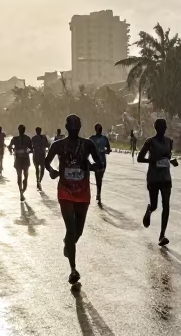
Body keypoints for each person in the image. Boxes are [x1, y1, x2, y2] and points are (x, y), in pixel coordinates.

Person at [45, 115, 101, 285]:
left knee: (78, 232)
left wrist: (88, 166)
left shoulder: (88, 144)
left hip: (83, 191)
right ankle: (73, 269)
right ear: (67, 127)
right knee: (70, 229)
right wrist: (52, 171)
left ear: (80, 127)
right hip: (65, 190)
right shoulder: (58, 145)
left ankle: (68, 244)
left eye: (76, 126)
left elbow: (99, 163)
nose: (74, 128)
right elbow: (46, 162)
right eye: (71, 125)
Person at [138, 118, 177, 245]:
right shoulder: (150, 142)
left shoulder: (169, 141)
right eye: (160, 127)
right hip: (154, 178)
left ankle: (162, 235)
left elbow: (168, 157)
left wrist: (171, 161)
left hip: (166, 177)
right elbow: (140, 158)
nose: (163, 129)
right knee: (155, 205)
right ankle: (150, 209)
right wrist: (153, 161)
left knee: (166, 205)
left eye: (164, 127)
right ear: (156, 128)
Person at [89, 123, 112, 207]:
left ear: (95, 130)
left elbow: (87, 151)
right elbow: (109, 150)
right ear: (101, 130)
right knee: (100, 178)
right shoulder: (105, 139)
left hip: (96, 162)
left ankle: (98, 193)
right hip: (103, 162)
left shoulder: (91, 139)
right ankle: (99, 193)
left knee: (97, 177)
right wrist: (103, 151)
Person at [8, 125, 33, 196]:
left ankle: (21, 191)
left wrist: (12, 151)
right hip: (24, 159)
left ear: (18, 130)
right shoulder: (27, 139)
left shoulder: (15, 139)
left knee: (20, 175)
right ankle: (22, 190)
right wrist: (26, 151)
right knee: (24, 175)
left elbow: (9, 147)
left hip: (19, 159)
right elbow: (31, 149)